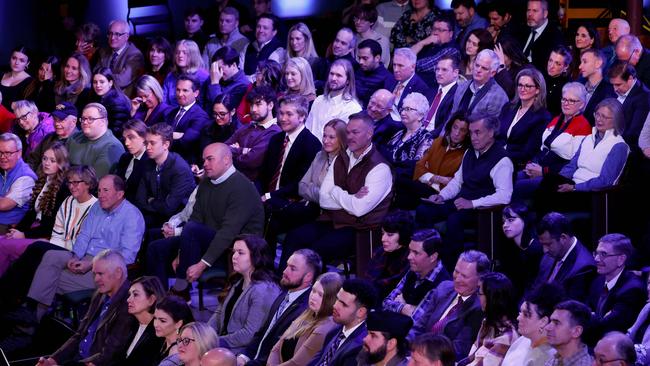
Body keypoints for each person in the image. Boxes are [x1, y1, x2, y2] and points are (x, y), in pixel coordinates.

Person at [146, 143, 264, 296]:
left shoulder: (242, 188)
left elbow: (227, 233)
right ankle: (158, 299)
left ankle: (181, 289)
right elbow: (196, 218)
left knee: (193, 228)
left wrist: (201, 265)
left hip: (235, 249)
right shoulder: (206, 183)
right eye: (204, 160)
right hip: (205, 239)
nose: (205, 164)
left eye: (210, 159)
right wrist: (181, 253)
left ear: (227, 160)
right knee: (156, 248)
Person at [23, 175, 144, 322]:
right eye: (99, 190)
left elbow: (128, 257)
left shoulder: (132, 216)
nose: (101, 195)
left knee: (49, 277)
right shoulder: (96, 207)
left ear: (120, 194)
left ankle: (32, 319)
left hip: (105, 268)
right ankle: (31, 313)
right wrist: (75, 256)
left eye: (106, 190)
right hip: (83, 256)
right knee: (50, 256)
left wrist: (92, 264)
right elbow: (84, 236)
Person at [281, 112, 392, 267]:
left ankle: (306, 289)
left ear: (369, 134)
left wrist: (335, 191)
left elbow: (359, 209)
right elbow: (324, 199)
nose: (350, 137)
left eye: (355, 132)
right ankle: (284, 286)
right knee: (294, 237)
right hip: (331, 220)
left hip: (359, 229)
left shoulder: (380, 168)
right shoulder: (341, 157)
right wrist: (350, 197)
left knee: (316, 251)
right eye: (347, 132)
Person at [416, 116, 513, 268]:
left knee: (454, 220)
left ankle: (450, 267)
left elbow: (504, 196)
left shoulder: (502, 160)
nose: (473, 137)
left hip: (481, 210)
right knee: (424, 211)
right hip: (460, 202)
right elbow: (457, 182)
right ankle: (425, 259)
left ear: (491, 133)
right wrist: (442, 196)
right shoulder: (470, 153)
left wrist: (473, 203)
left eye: (478, 132)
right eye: (471, 133)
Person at [0, 165, 97, 310]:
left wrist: (48, 242)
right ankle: (12, 298)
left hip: (76, 253)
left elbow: (82, 242)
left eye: (76, 182)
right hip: (59, 245)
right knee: (36, 250)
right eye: (69, 182)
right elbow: (57, 231)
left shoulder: (95, 208)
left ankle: (11, 298)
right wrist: (50, 242)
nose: (72, 186)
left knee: (37, 247)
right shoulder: (68, 201)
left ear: (88, 184)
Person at [35, 250, 136, 366]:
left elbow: (110, 353)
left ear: (118, 273)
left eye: (100, 274)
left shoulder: (129, 303)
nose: (96, 279)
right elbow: (79, 334)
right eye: (94, 274)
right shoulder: (100, 294)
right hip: (77, 359)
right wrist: (52, 360)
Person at [264, 118, 344, 247]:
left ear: (341, 139)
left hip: (324, 214)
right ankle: (265, 262)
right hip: (307, 206)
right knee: (269, 215)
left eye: (331, 137)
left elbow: (329, 197)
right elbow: (302, 186)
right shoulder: (319, 155)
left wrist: (313, 189)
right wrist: (318, 191)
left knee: (283, 226)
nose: (325, 140)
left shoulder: (343, 163)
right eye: (324, 135)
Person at [538, 98, 628, 210]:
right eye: (597, 115)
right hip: (572, 186)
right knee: (548, 182)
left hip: (591, 194)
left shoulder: (619, 146)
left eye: (604, 117)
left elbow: (605, 181)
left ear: (616, 120)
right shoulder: (588, 139)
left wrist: (574, 187)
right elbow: (572, 166)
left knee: (545, 196)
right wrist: (558, 180)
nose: (599, 120)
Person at [238, 249, 322, 365]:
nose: (284, 271)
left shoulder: (305, 310)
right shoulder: (284, 293)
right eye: (287, 266)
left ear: (308, 277)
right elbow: (263, 332)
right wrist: (244, 356)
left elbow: (281, 352)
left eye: (292, 269)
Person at [513, 82, 591, 202]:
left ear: (581, 105)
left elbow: (573, 162)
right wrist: (531, 165)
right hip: (539, 166)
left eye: (571, 101)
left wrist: (544, 172)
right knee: (508, 180)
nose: (566, 103)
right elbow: (542, 148)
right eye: (564, 99)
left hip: (556, 176)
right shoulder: (556, 119)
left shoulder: (583, 125)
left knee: (516, 187)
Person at [0, 142, 69, 275]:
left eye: (52, 160)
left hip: (45, 236)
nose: (46, 163)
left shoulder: (63, 189)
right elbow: (31, 213)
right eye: (44, 158)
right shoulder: (43, 181)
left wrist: (24, 235)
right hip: (33, 229)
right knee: (3, 239)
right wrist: (17, 230)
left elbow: (51, 225)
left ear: (61, 164)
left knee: (3, 245)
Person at [408, 250, 490, 359]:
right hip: (414, 352)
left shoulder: (479, 308)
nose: (457, 279)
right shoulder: (444, 288)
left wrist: (421, 354)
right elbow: (419, 327)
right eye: (456, 272)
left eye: (464, 276)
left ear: (480, 279)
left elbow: (458, 350)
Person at [209, 235, 280, 354]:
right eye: (233, 252)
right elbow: (219, 313)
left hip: (241, 351)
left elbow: (249, 334)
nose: (234, 257)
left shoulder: (263, 290)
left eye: (240, 253)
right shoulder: (238, 280)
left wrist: (213, 342)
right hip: (223, 343)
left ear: (256, 257)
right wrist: (204, 334)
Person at [259, 95, 321, 217]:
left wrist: (269, 196)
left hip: (290, 201)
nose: (283, 118)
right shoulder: (276, 139)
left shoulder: (312, 144)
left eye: (289, 114)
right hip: (267, 196)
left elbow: (299, 184)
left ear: (302, 116)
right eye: (281, 113)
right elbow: (264, 173)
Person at [267, 272, 342, 366]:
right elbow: (276, 348)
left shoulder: (326, 327)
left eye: (320, 295)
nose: (313, 297)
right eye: (313, 291)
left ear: (331, 299)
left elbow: (297, 363)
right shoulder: (308, 313)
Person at [383, 228, 451, 323]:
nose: (409, 257)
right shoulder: (414, 269)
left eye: (416, 253)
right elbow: (386, 303)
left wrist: (402, 303)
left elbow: (419, 322)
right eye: (410, 251)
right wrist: (403, 308)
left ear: (433, 257)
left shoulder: (442, 284)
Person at [136, 123, 196, 227]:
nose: (147, 147)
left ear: (166, 145)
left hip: (176, 220)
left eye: (152, 143)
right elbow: (140, 199)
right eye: (146, 143)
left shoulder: (180, 169)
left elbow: (169, 208)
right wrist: (156, 203)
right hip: (154, 215)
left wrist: (151, 200)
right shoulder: (148, 162)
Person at [587, 234, 646, 339]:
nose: (596, 259)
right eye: (596, 253)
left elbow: (606, 327)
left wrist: (592, 317)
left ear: (621, 259)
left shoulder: (633, 290)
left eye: (603, 254)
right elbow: (585, 311)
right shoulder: (598, 280)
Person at [309, 278, 379, 366]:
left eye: (343, 304)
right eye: (337, 299)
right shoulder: (334, 331)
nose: (335, 305)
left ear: (361, 312)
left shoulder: (361, 347)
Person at [528, 212, 596, 302]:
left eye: (548, 244)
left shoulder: (584, 267)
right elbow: (535, 289)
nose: (545, 250)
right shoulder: (549, 255)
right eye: (542, 244)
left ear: (563, 238)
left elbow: (568, 309)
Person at [409, 112, 469, 208]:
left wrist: (428, 174)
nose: (457, 133)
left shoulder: (466, 153)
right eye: (455, 127)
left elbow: (454, 182)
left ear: (467, 134)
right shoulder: (439, 141)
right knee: (404, 175)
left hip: (440, 192)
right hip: (425, 183)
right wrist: (439, 178)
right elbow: (419, 166)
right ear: (450, 127)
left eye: (462, 130)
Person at [458, 272, 519, 366]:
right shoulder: (487, 323)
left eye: (480, 294)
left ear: (492, 299)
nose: (478, 298)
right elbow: (471, 357)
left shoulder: (507, 337)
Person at [386, 92, 433, 208]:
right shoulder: (398, 133)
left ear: (421, 115)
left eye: (408, 109)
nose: (402, 112)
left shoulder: (426, 138)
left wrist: (390, 168)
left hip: (406, 188)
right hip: (387, 179)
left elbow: (415, 167)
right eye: (402, 109)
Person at [498, 68, 552, 169]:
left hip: (516, 164)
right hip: (497, 156)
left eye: (528, 86)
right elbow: (496, 134)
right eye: (520, 85)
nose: (523, 89)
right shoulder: (508, 107)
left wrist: (501, 154)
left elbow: (528, 151)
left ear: (537, 90)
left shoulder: (542, 117)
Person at [502, 283, 565, 366]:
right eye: (520, 312)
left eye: (526, 314)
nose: (518, 318)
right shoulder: (522, 340)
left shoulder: (550, 358)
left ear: (543, 321)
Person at [224, 85, 279, 181]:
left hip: (250, 185)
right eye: (251, 105)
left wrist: (236, 149)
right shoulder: (248, 126)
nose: (253, 109)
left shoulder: (275, 132)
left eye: (258, 104)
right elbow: (223, 148)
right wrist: (244, 151)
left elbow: (251, 161)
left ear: (270, 105)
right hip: (231, 177)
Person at [306, 59, 363, 142]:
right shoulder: (319, 100)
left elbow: (343, 140)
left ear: (347, 81)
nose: (333, 78)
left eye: (339, 75)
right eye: (331, 74)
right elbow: (308, 127)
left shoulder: (353, 108)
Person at [448, 49, 509, 123]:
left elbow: (489, 129)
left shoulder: (499, 96)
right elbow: (451, 117)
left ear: (492, 73)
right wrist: (443, 134)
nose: (478, 70)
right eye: (477, 65)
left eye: (484, 68)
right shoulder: (462, 86)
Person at [66, 102, 125, 178]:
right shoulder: (74, 137)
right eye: (83, 119)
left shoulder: (113, 147)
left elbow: (95, 180)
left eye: (90, 119)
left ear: (103, 122)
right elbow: (61, 165)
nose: (85, 122)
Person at [498, 203, 544, 299]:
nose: (505, 225)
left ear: (525, 220)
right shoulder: (509, 249)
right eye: (503, 221)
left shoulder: (537, 249)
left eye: (511, 220)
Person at [365, 211, 414, 298]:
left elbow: (395, 286)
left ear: (403, 235)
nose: (383, 239)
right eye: (383, 233)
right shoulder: (379, 253)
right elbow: (367, 280)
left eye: (390, 235)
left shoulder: (410, 258)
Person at [165, 74, 211, 163]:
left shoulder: (200, 116)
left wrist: (165, 136)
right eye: (178, 90)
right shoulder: (172, 112)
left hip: (185, 164)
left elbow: (184, 143)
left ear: (196, 93)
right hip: (168, 160)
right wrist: (174, 135)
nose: (180, 94)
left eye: (185, 90)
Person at [609, 62, 650, 160]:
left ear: (630, 79)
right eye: (613, 85)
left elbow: (633, 132)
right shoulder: (616, 89)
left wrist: (609, 142)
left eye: (618, 85)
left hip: (625, 149)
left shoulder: (644, 97)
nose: (614, 89)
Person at [94, 20, 145, 97]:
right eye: (110, 33)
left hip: (121, 100)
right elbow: (95, 73)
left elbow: (122, 81)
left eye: (117, 34)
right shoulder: (103, 51)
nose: (113, 38)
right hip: (101, 96)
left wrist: (102, 80)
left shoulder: (135, 55)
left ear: (127, 36)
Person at [123, 276, 167, 366]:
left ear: (151, 300)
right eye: (129, 295)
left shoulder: (159, 333)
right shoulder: (130, 325)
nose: (128, 300)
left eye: (135, 294)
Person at [0, 132, 37, 234]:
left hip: (8, 228)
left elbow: (4, 205)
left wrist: (3, 200)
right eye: (0, 152)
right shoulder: (4, 169)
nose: (2, 157)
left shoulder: (26, 177)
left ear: (19, 153)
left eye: (8, 153)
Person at [25, 101, 77, 170]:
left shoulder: (79, 143)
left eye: (61, 120)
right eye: (55, 119)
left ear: (74, 121)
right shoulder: (49, 137)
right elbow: (32, 160)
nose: (56, 123)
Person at [521, 0, 565, 72]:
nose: (530, 14)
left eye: (535, 11)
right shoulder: (522, 31)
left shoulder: (555, 37)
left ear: (545, 14)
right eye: (528, 10)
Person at [544, 300, 593, 365]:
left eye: (556, 323)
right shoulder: (555, 359)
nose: (547, 328)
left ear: (576, 331)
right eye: (550, 322)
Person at [162, 40, 209, 107]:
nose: (180, 55)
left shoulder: (203, 76)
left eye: (185, 53)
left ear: (193, 55)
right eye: (177, 52)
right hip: (171, 114)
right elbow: (164, 101)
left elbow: (206, 104)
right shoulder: (170, 76)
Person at [422, 54, 461, 134]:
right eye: (437, 69)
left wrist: (426, 136)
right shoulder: (430, 90)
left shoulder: (457, 95)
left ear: (455, 73)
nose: (439, 73)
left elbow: (446, 125)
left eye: (444, 70)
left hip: (435, 138)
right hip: (418, 131)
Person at [112, 119, 149, 202]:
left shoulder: (150, 162)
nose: (126, 143)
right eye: (125, 139)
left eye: (131, 138)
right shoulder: (125, 157)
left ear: (144, 137)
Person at [312, 28, 358, 93]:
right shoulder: (325, 61)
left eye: (343, 43)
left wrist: (319, 84)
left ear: (350, 49)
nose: (337, 45)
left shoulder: (353, 66)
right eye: (337, 40)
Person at [390, 48, 433, 118]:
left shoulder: (420, 88)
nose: (396, 69)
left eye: (400, 66)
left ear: (413, 67)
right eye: (394, 65)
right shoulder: (391, 79)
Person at [236, 59, 282, 124]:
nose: (255, 75)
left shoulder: (279, 96)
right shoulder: (251, 88)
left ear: (267, 76)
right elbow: (240, 114)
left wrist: (250, 118)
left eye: (258, 72)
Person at [154, 296, 196, 366]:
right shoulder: (161, 339)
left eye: (162, 321)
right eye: (155, 318)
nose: (156, 324)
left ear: (178, 324)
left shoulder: (177, 351)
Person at [206, 46, 251, 110]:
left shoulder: (243, 86)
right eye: (216, 68)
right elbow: (201, 102)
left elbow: (221, 108)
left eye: (221, 68)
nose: (217, 72)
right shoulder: (214, 76)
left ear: (234, 65)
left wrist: (215, 84)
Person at [89, 67, 132, 135]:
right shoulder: (97, 98)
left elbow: (116, 130)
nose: (98, 85)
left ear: (110, 83)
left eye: (102, 82)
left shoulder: (117, 102)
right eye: (95, 82)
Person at [580, 49, 616, 126]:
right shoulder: (579, 85)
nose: (580, 66)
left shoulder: (608, 92)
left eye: (585, 62)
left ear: (598, 64)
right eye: (581, 62)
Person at [355, 39, 396, 107]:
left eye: (365, 58)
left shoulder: (387, 78)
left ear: (377, 58)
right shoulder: (358, 71)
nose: (360, 62)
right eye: (359, 58)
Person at [544, 46, 572, 116]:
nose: (551, 66)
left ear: (565, 67)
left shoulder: (566, 88)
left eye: (557, 64)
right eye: (550, 60)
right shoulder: (541, 77)